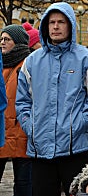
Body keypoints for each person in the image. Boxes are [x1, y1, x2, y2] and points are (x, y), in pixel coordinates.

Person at [16, 1, 88, 196]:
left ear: (70, 26)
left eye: (61, 22)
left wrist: (79, 123)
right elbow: (22, 101)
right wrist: (30, 126)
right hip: (40, 150)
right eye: (51, 22)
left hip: (74, 149)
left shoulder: (87, 59)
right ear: (45, 26)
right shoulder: (32, 62)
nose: (56, 26)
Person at [0, 24, 32, 196]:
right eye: (1, 39)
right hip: (2, 133)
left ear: (18, 42)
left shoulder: (27, 65)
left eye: (7, 39)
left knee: (23, 184)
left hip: (21, 133)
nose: (2, 43)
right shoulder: (1, 65)